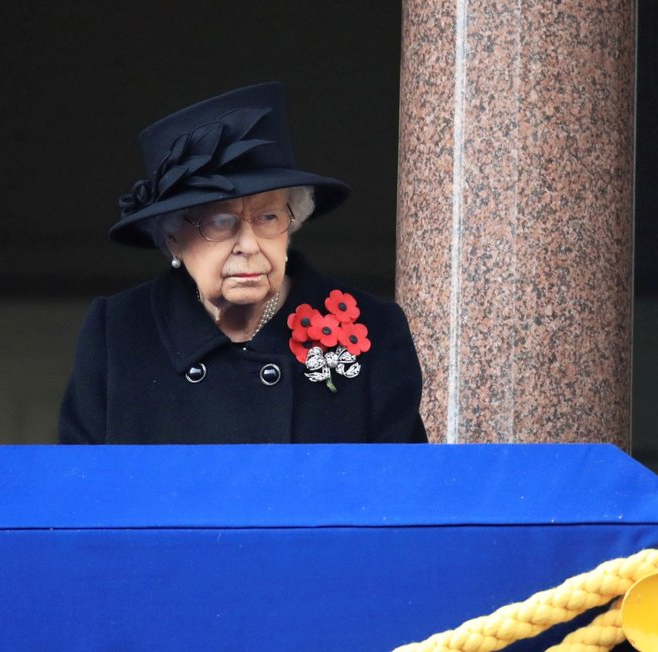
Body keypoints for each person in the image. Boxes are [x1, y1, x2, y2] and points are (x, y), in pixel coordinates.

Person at [59, 82, 426, 444]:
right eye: (220, 222)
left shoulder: (375, 329)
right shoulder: (120, 333)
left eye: (268, 217)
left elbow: (405, 494)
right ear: (173, 238)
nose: (249, 245)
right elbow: (82, 493)